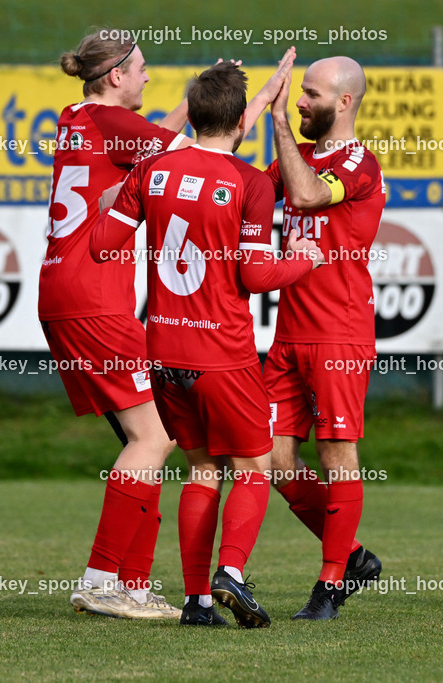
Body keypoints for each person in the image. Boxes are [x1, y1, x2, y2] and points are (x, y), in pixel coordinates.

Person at [39, 28, 294, 619]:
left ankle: (132, 584)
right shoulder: (118, 124)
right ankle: (102, 580)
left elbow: (172, 144)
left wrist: (203, 102)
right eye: (142, 69)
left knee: (153, 441)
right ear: (116, 77)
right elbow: (205, 150)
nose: (148, 78)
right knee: (152, 440)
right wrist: (256, 102)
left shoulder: (78, 117)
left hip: (63, 291)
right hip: (94, 297)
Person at [91, 61, 324, 628]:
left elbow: (100, 244)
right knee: (253, 467)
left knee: (201, 469)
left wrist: (116, 204)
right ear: (241, 122)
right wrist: (303, 260)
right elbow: (255, 275)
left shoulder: (151, 170)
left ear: (192, 116)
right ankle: (232, 573)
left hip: (163, 353)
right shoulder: (250, 183)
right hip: (222, 355)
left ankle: (197, 602)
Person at [264, 55, 385, 620]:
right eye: (300, 92)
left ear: (344, 102)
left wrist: (279, 125)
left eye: (311, 93)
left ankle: (331, 585)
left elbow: (309, 196)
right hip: (288, 333)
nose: (300, 101)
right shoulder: (296, 159)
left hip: (339, 335)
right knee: (269, 458)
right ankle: (353, 555)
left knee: (337, 455)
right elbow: (244, 186)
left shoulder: (360, 163)